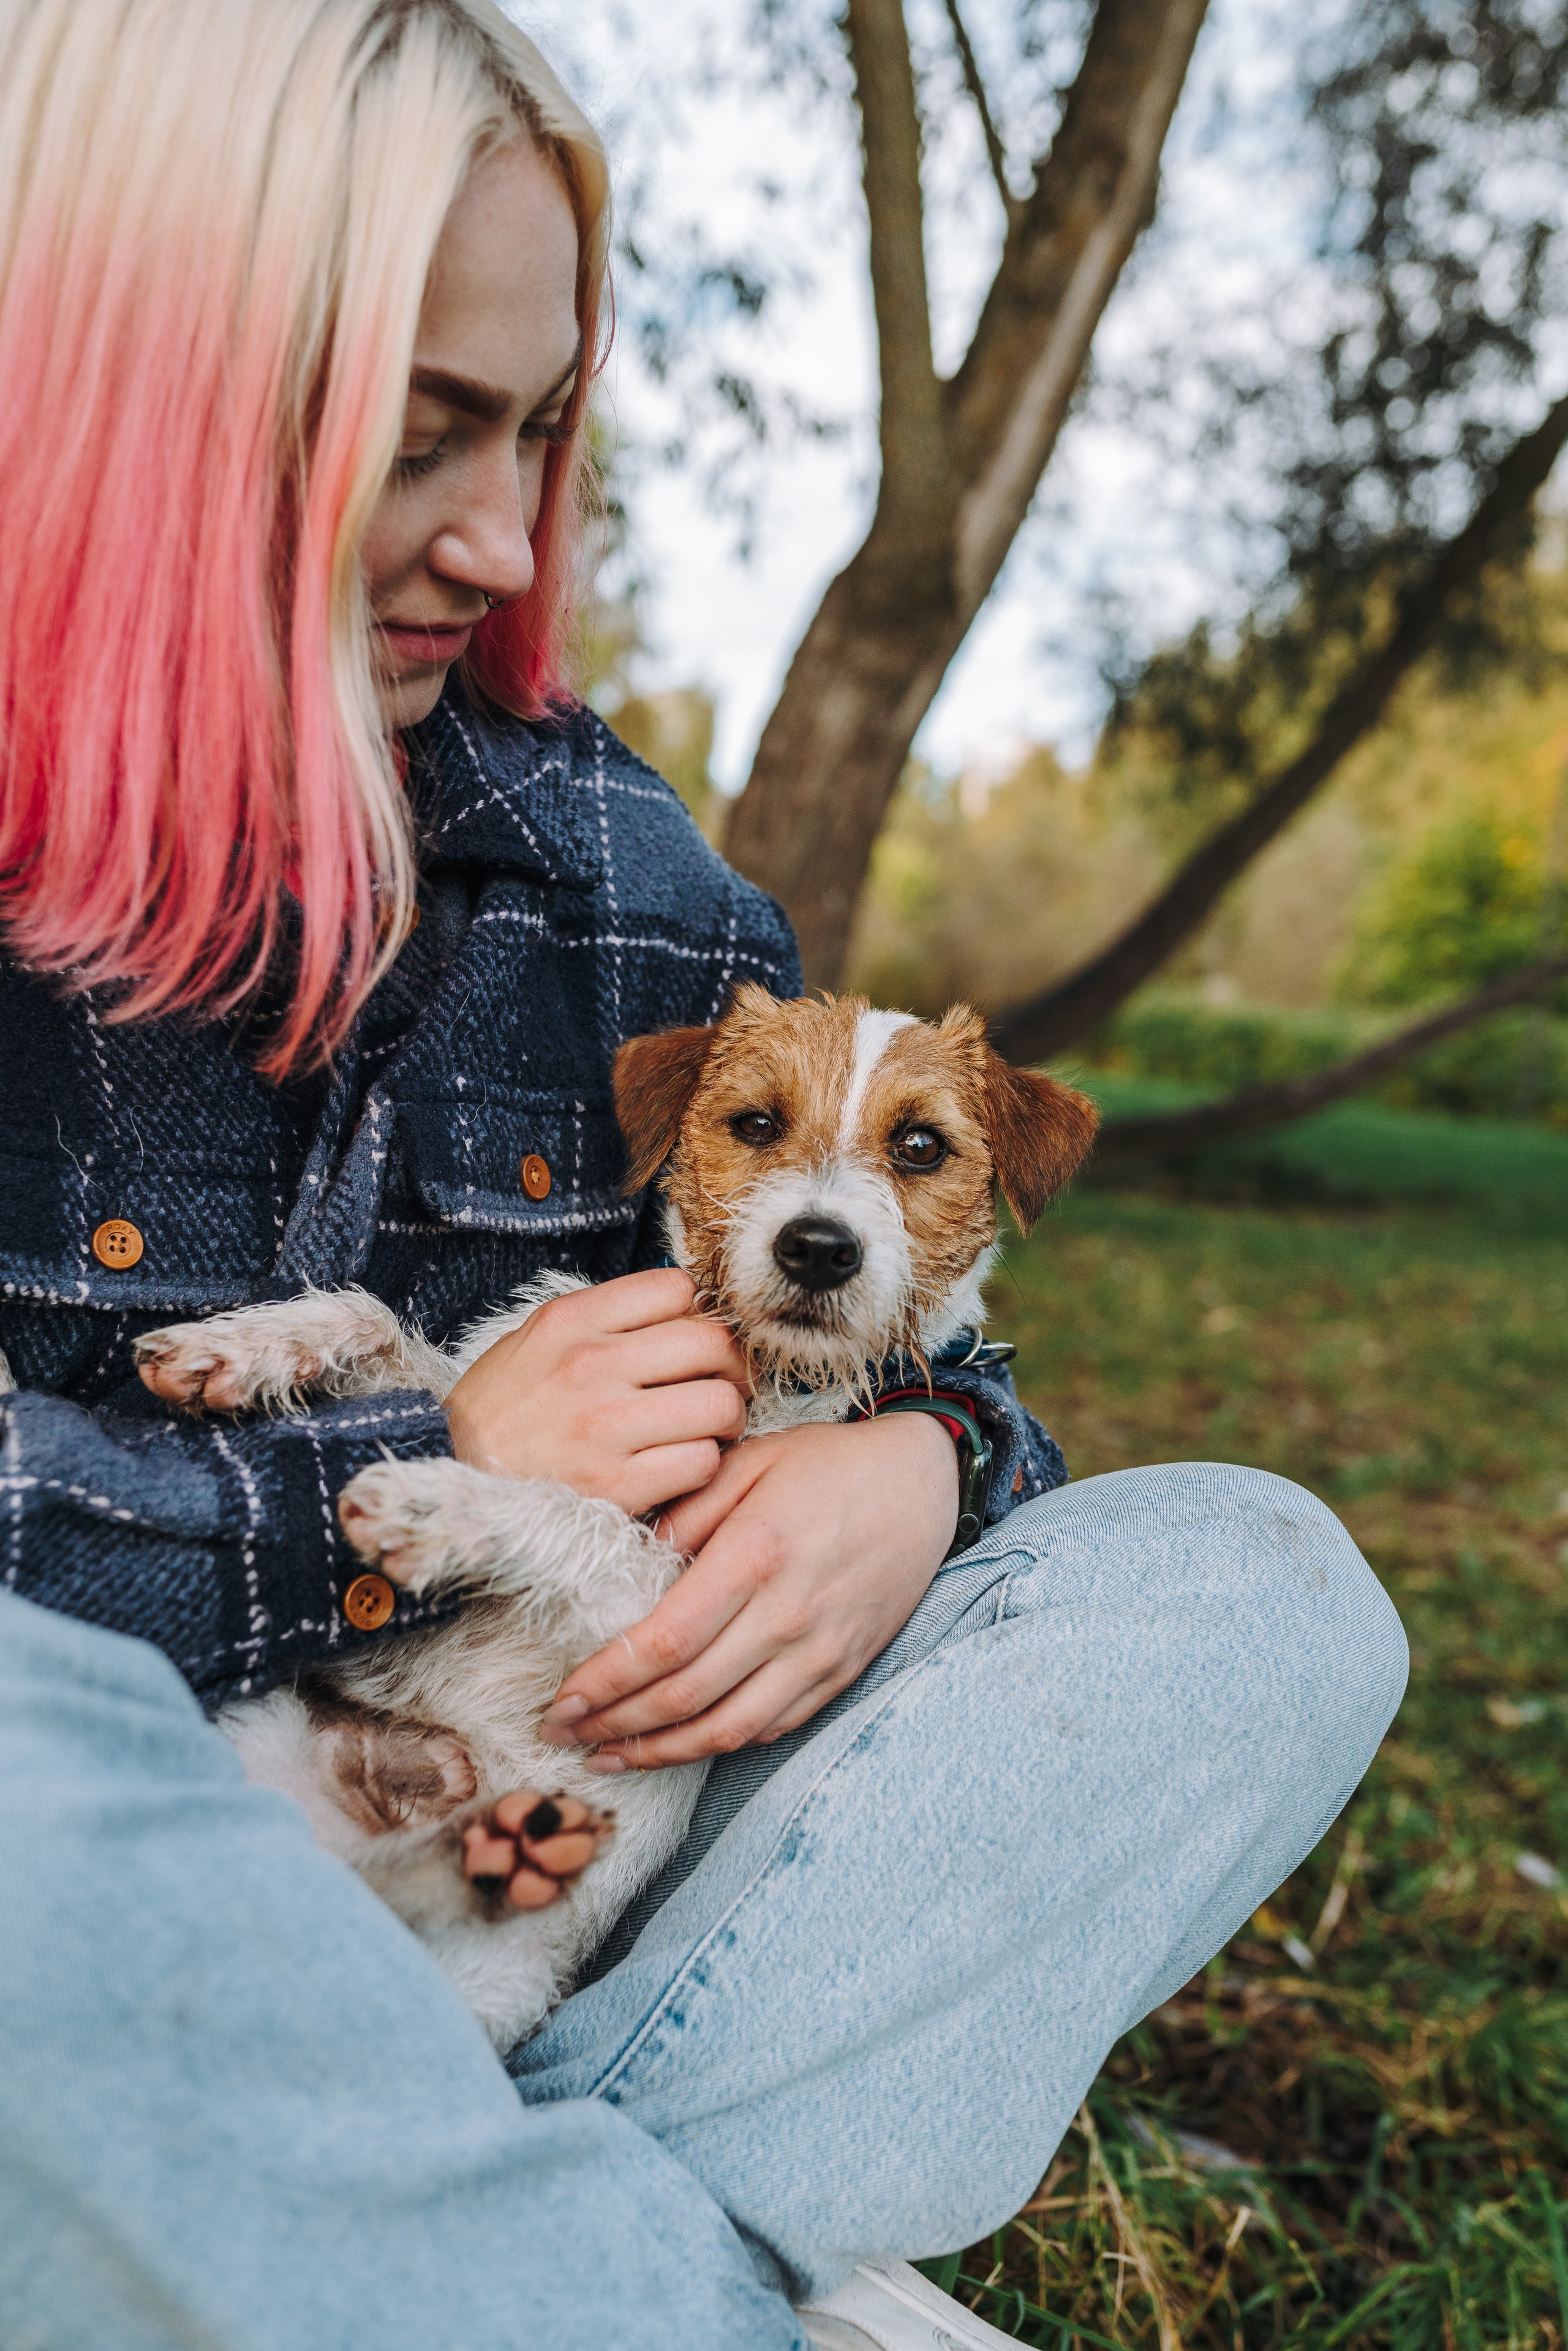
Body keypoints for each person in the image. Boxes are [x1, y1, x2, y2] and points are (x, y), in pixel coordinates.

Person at [0, 5, 1409, 2347]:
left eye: (543, 429)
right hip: (152, 1847)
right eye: (415, 430)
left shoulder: (620, 875)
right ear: (116, 398)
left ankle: (436, 2249)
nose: (504, 534)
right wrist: (418, 1449)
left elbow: (886, 1306)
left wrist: (930, 1477)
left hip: (572, 1867)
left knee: (1258, 1591)